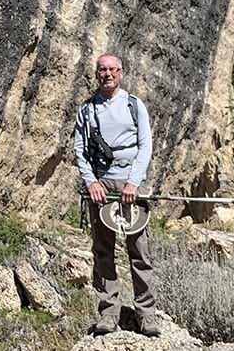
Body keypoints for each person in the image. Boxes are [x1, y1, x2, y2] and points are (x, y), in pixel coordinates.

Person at [72, 53, 159, 336]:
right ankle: (108, 313)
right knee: (103, 251)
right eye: (102, 70)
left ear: (120, 72)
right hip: (102, 186)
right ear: (96, 74)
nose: (107, 74)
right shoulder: (86, 111)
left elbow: (145, 146)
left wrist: (134, 183)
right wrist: (91, 182)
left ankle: (146, 316)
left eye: (112, 69)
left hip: (131, 185)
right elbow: (80, 151)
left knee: (139, 251)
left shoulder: (135, 106)